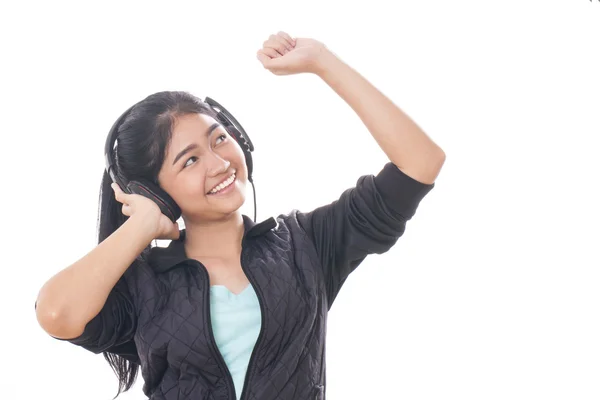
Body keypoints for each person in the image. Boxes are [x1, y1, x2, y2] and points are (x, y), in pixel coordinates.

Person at [35, 31, 446, 400]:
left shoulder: (306, 244)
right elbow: (56, 314)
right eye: (190, 160)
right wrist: (143, 225)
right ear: (154, 191)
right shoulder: (144, 284)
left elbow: (421, 163)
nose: (218, 163)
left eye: (220, 139)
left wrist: (323, 61)